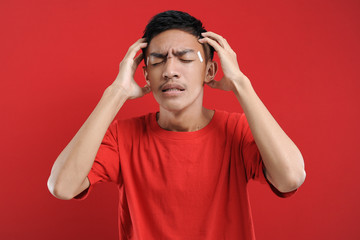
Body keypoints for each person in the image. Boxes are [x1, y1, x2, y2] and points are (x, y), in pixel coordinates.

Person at [47, 10, 306, 240]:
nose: (170, 70)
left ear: (210, 72)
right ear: (146, 73)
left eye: (185, 58)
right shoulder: (123, 137)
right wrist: (116, 93)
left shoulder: (236, 131)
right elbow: (62, 186)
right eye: (158, 60)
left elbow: (291, 177)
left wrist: (240, 83)